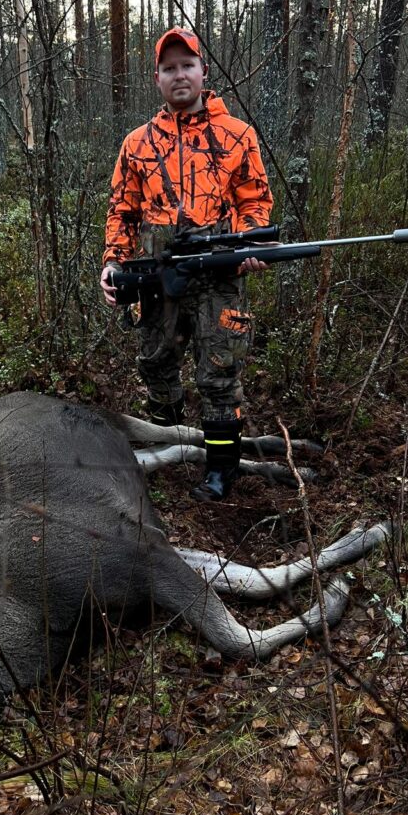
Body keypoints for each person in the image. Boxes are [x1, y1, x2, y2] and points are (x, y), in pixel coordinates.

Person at [100, 27, 274, 502]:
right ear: (157, 78)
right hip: (158, 268)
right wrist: (114, 261)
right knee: (157, 362)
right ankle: (167, 452)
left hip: (218, 267)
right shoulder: (137, 143)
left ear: (203, 72)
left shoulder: (237, 135)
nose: (179, 75)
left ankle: (221, 471)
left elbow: (255, 200)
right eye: (169, 68)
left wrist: (251, 245)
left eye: (187, 65)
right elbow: (122, 210)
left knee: (219, 372)